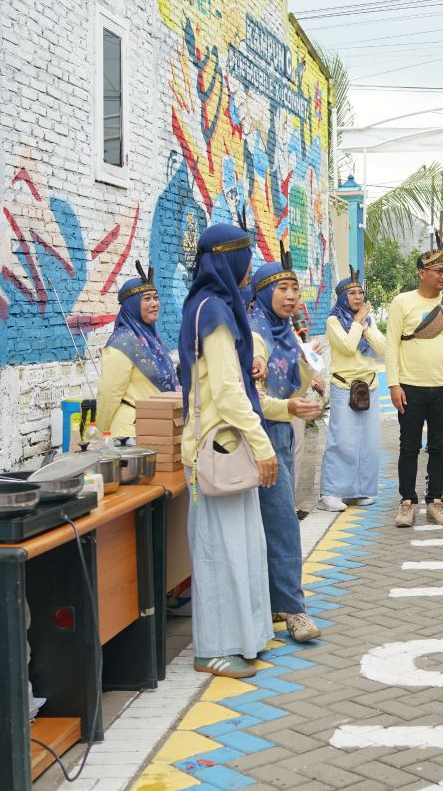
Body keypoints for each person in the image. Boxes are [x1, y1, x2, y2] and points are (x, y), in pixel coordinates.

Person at [178, 224, 277, 679]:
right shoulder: (214, 310)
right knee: (219, 549)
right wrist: (263, 444)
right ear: (227, 260)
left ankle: (244, 637)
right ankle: (214, 648)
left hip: (224, 443)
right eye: (245, 257)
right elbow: (225, 390)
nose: (250, 268)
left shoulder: (209, 306)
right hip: (221, 446)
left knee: (240, 545)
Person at [247, 258, 323, 644]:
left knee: (272, 522)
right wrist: (289, 408)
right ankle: (294, 610)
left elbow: (295, 386)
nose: (292, 296)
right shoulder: (255, 334)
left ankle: (277, 601)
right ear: (262, 292)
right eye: (282, 289)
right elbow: (251, 399)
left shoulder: (284, 331)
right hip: (259, 437)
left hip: (279, 432)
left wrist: (308, 356)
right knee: (281, 523)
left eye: (294, 289)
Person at [385, 236, 443, 529]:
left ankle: (436, 501)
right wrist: (394, 384)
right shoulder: (402, 302)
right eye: (438, 271)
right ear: (422, 273)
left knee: (439, 447)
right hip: (409, 387)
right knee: (408, 447)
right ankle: (407, 502)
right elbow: (391, 345)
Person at [318, 269, 386, 513]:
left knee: (368, 442)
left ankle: (361, 491)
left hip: (369, 386)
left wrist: (365, 326)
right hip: (344, 386)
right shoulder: (333, 321)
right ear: (342, 297)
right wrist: (357, 323)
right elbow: (347, 347)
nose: (358, 297)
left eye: (360, 293)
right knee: (342, 440)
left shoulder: (367, 320)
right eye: (352, 293)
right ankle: (331, 492)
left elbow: (381, 346)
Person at [96, 263, 179, 441]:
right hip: (130, 435)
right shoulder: (122, 342)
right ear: (133, 304)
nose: (154, 304)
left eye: (156, 298)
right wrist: (100, 435)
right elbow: (109, 394)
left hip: (156, 428)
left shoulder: (152, 339)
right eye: (147, 299)